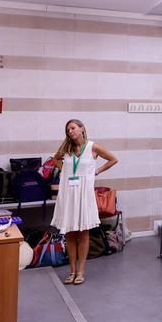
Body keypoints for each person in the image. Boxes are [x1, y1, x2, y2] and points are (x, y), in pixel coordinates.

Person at [49, 119, 118, 284]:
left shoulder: (92, 147)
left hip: (84, 194)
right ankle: (72, 270)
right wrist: (64, 170)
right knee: (70, 233)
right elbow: (55, 159)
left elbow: (113, 159)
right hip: (68, 193)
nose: (70, 131)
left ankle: (81, 270)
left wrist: (96, 171)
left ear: (81, 129)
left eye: (72, 128)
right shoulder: (66, 148)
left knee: (84, 233)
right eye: (67, 130)